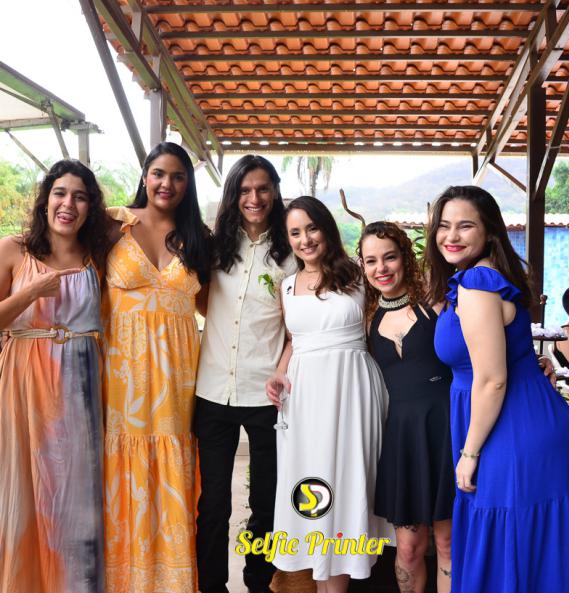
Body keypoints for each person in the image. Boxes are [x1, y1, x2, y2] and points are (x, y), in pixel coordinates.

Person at [429, 185, 569, 593]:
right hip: (517, 415)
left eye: (465, 226)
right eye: (444, 225)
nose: (451, 235)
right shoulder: (479, 279)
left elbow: (492, 378)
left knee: (505, 544)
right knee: (525, 547)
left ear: (489, 232)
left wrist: (469, 453)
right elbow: (507, 353)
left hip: (507, 426)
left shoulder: (478, 282)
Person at [102, 142, 212, 593]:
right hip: (123, 379)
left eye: (178, 176)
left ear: (188, 185)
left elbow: (215, 308)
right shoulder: (113, 225)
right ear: (145, 176)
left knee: (173, 476)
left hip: (177, 381)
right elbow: (64, 259)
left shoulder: (198, 237)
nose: (167, 183)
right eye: (159, 173)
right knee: (122, 474)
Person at [266, 197, 388, 593]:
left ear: (326, 229)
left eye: (311, 228)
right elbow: (294, 340)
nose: (305, 239)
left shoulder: (359, 274)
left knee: (348, 485)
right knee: (313, 488)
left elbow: (393, 315)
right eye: (295, 233)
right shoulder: (287, 286)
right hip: (304, 398)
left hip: (352, 390)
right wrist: (279, 373)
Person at [0, 159, 110, 593]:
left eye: (80, 197)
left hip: (80, 391)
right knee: (24, 491)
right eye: (60, 193)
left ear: (90, 207)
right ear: (45, 199)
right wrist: (31, 291)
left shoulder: (97, 256)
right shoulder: (14, 249)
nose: (68, 204)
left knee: (76, 496)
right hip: (24, 386)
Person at [194, 155, 294, 593]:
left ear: (275, 191)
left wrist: (280, 370)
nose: (254, 198)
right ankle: (212, 585)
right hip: (213, 389)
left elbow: (295, 327)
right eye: (245, 190)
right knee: (214, 500)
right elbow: (200, 300)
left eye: (263, 188)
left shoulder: (290, 253)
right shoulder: (214, 247)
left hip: (266, 394)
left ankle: (258, 581)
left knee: (265, 500)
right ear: (233, 194)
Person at [358, 221, 453, 593]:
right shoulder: (365, 317)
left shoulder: (436, 303)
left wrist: (534, 361)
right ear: (363, 266)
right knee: (409, 548)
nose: (381, 268)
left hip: (445, 431)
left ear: (405, 258)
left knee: (447, 542)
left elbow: (479, 347)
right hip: (401, 438)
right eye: (371, 261)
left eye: (390, 257)